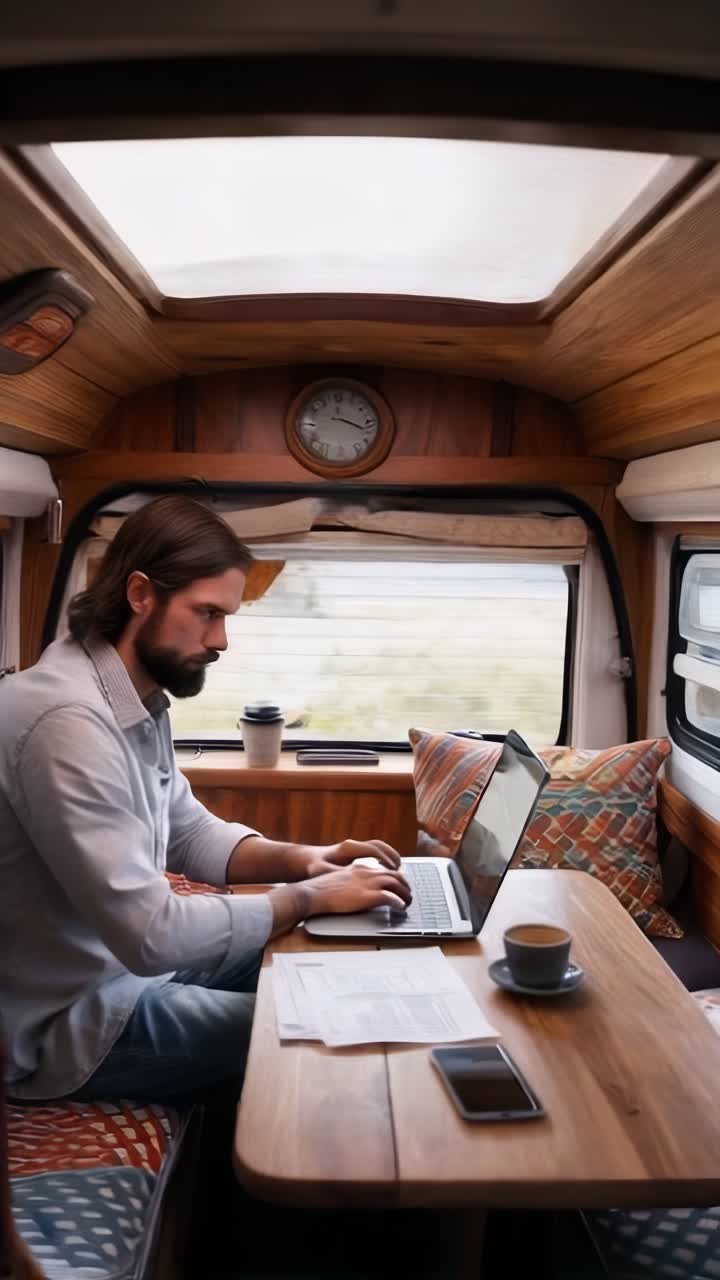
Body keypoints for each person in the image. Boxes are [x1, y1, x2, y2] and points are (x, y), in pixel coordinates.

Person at [0, 495, 411, 1103]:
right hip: (71, 1019)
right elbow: (151, 935)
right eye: (206, 614)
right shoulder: (66, 721)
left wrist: (307, 859)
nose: (221, 640)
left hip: (131, 973)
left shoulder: (132, 698)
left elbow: (188, 832)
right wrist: (302, 898)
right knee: (326, 1026)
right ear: (141, 594)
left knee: (345, 969)